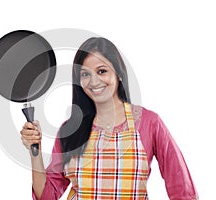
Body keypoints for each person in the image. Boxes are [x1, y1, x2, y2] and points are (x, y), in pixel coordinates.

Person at [20, 37, 198, 199]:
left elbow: (182, 188)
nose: (94, 81)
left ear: (118, 74)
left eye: (102, 71)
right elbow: (47, 196)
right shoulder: (70, 130)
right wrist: (35, 151)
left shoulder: (149, 123)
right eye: (85, 74)